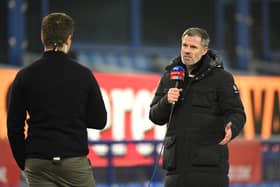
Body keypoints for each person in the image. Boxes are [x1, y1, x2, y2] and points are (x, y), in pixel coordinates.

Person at [7, 12, 107, 187]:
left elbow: (14, 125)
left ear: (42, 37)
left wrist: (24, 161)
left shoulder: (25, 76)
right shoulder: (84, 75)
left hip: (37, 160)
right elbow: (99, 121)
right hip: (73, 161)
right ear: (69, 39)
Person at [149, 27, 246, 187]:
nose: (187, 51)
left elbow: (237, 112)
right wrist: (166, 100)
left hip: (210, 171)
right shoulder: (170, 76)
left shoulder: (221, 78)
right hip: (176, 171)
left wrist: (232, 127)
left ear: (204, 50)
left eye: (193, 47)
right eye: (184, 45)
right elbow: (154, 116)